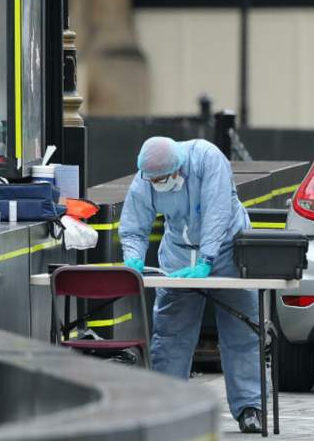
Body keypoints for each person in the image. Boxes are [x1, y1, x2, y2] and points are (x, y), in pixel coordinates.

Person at [119, 136, 262, 433]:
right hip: (178, 257)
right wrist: (132, 259)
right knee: (170, 335)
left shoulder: (208, 159)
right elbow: (134, 226)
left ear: (178, 170)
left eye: (162, 178)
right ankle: (166, 406)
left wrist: (206, 260)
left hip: (227, 252)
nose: (157, 183)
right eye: (152, 179)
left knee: (242, 331)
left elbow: (217, 212)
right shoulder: (145, 178)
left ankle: (250, 407)